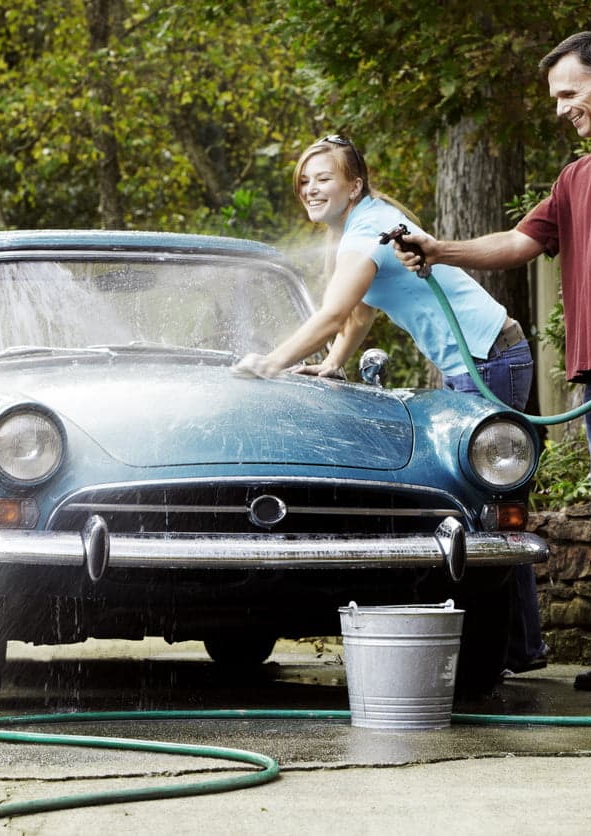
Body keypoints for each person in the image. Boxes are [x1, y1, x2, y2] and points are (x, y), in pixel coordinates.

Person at [393, 32, 591, 704]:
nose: (559, 108)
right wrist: (439, 248)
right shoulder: (578, 176)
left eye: (568, 94)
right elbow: (519, 243)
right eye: (555, 98)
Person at [234, 134, 549, 676]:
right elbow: (356, 315)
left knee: (486, 504)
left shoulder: (370, 231)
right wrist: (334, 363)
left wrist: (273, 361)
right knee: (482, 504)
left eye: (323, 178)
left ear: (354, 185)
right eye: (304, 180)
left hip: (490, 358)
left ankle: (515, 649)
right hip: (482, 357)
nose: (311, 188)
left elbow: (334, 313)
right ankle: (518, 649)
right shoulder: (356, 231)